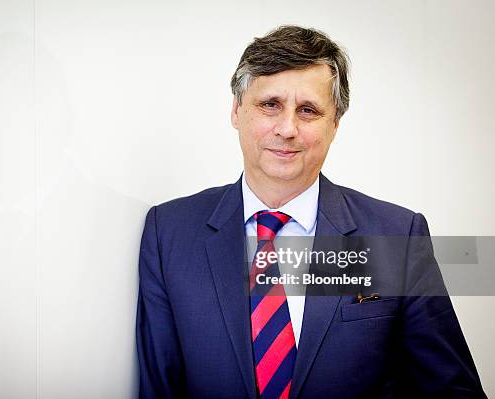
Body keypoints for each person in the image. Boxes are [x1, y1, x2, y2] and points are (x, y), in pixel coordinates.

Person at [135, 25, 486, 399]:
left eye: (308, 110)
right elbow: (159, 387)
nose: (287, 129)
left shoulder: (397, 235)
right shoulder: (168, 232)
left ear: (334, 124)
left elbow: (452, 390)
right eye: (270, 105)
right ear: (237, 111)